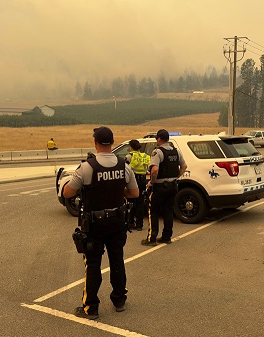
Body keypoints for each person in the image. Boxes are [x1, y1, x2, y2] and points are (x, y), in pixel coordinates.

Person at [62, 126, 139, 320]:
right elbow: (134, 193)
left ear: (95, 143)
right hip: (117, 222)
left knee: (93, 264)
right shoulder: (124, 166)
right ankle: (119, 300)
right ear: (112, 143)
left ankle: (91, 307)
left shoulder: (87, 167)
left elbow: (67, 193)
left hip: (95, 225)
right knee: (117, 260)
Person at [141, 129, 187, 246]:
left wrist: (152, 182)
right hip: (173, 186)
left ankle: (152, 238)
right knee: (168, 211)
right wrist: (176, 176)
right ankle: (167, 236)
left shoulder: (158, 152)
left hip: (160, 186)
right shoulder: (176, 152)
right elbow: (184, 166)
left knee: (153, 211)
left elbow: (155, 170)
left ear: (159, 139)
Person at [125, 139, 150, 231]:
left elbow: (125, 169)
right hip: (143, 180)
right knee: (140, 202)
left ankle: (131, 223)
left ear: (131, 147)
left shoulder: (129, 156)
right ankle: (139, 225)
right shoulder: (145, 156)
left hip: (133, 180)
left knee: (131, 202)